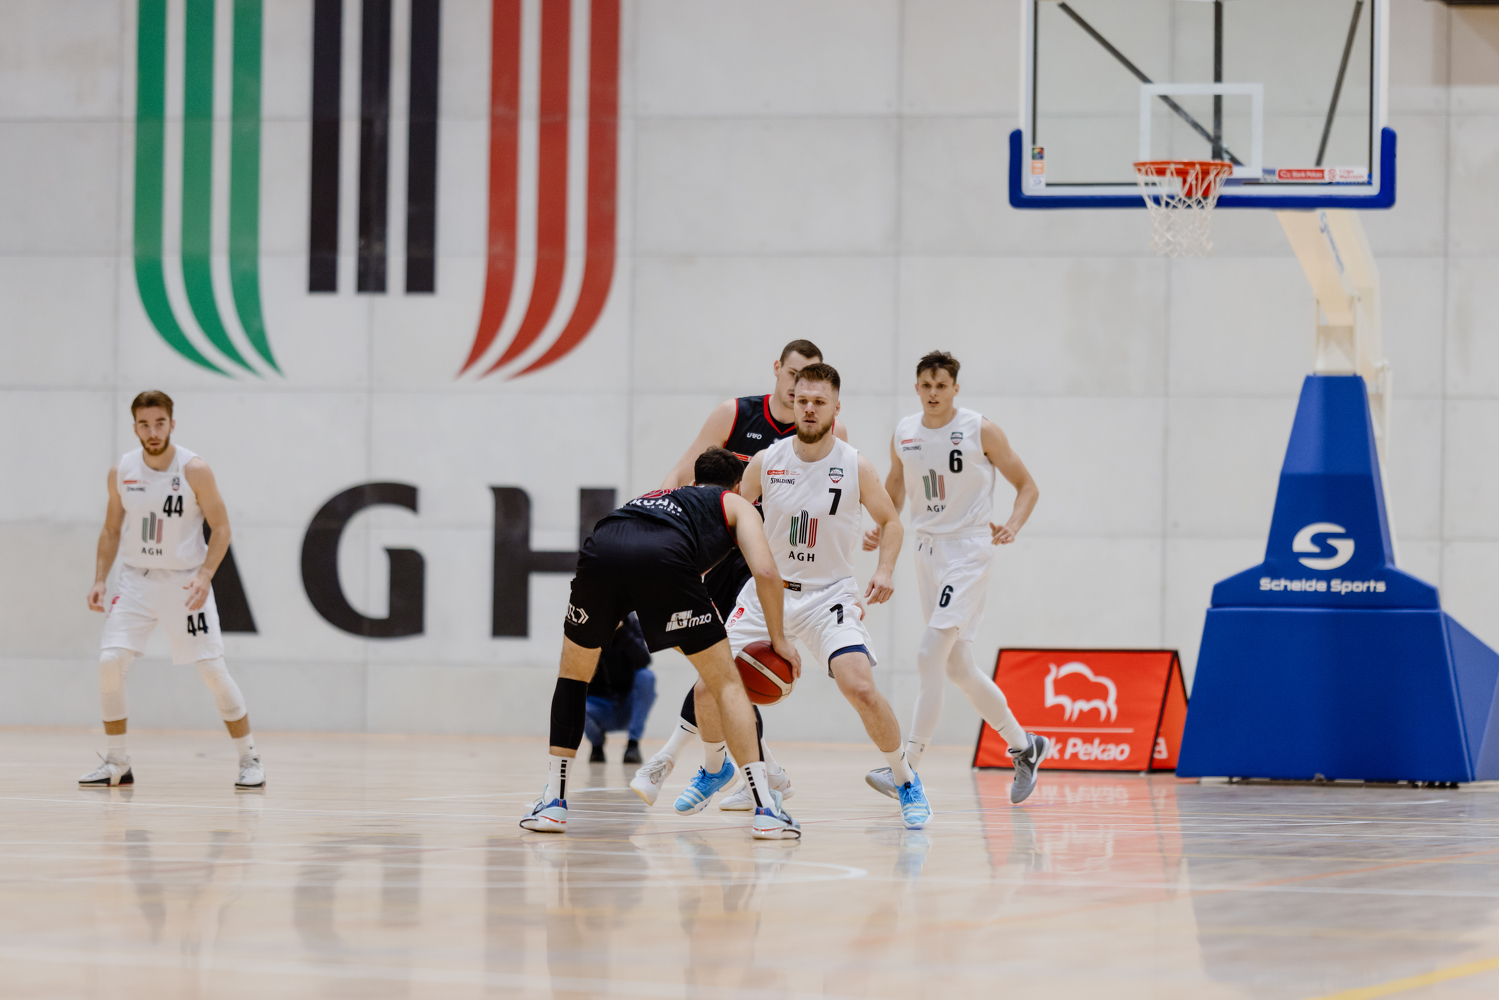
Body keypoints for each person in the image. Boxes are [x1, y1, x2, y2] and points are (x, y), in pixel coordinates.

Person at [680, 363, 933, 829]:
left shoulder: (855, 465)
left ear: (836, 408)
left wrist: (884, 570)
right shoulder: (766, 461)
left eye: (820, 402)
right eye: (802, 401)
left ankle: (905, 779)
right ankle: (715, 769)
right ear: (792, 404)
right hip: (768, 594)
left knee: (860, 688)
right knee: (706, 688)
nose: (810, 409)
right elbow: (727, 517)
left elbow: (892, 522)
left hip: (828, 596)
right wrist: (697, 572)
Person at [520, 447, 804, 840]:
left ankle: (553, 803)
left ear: (694, 481)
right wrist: (778, 639)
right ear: (737, 485)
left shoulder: (658, 496)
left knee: (572, 676)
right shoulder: (735, 503)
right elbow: (766, 572)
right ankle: (766, 810)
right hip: (664, 557)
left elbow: (637, 550)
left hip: (602, 549)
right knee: (726, 683)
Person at [630, 339, 848, 810]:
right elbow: (682, 471)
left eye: (812, 380)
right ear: (778, 369)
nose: (801, 388)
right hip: (721, 550)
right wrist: (659, 524)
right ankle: (765, 774)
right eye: (794, 375)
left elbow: (841, 497)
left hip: (772, 563)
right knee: (730, 669)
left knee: (729, 667)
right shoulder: (735, 414)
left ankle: (675, 759)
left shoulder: (829, 431)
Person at [862, 351, 1048, 804]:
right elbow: (895, 488)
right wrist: (883, 525)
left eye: (941, 386)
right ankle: (1024, 746)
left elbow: (1028, 486)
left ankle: (906, 768)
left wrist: (1013, 524)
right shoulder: (904, 432)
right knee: (957, 666)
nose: (933, 393)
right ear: (916, 387)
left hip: (968, 549)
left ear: (955, 389)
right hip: (927, 550)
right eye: (926, 386)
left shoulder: (980, 429)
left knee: (929, 654)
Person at [82, 390, 264, 790]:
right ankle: (117, 762)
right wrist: (99, 579)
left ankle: (249, 758)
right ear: (135, 428)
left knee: (212, 670)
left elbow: (222, 528)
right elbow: (111, 529)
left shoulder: (194, 469)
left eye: (159, 423)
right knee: (110, 661)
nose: (153, 432)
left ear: (172, 425)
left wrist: (205, 574)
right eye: (144, 424)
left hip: (185, 583)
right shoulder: (122, 471)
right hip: (135, 581)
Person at [583, 613, 656, 763]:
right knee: (575, 706)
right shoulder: (588, 624)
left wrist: (620, 630)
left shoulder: (632, 623)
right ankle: (597, 745)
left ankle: (633, 745)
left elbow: (644, 659)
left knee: (647, 677)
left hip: (628, 704)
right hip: (601, 705)